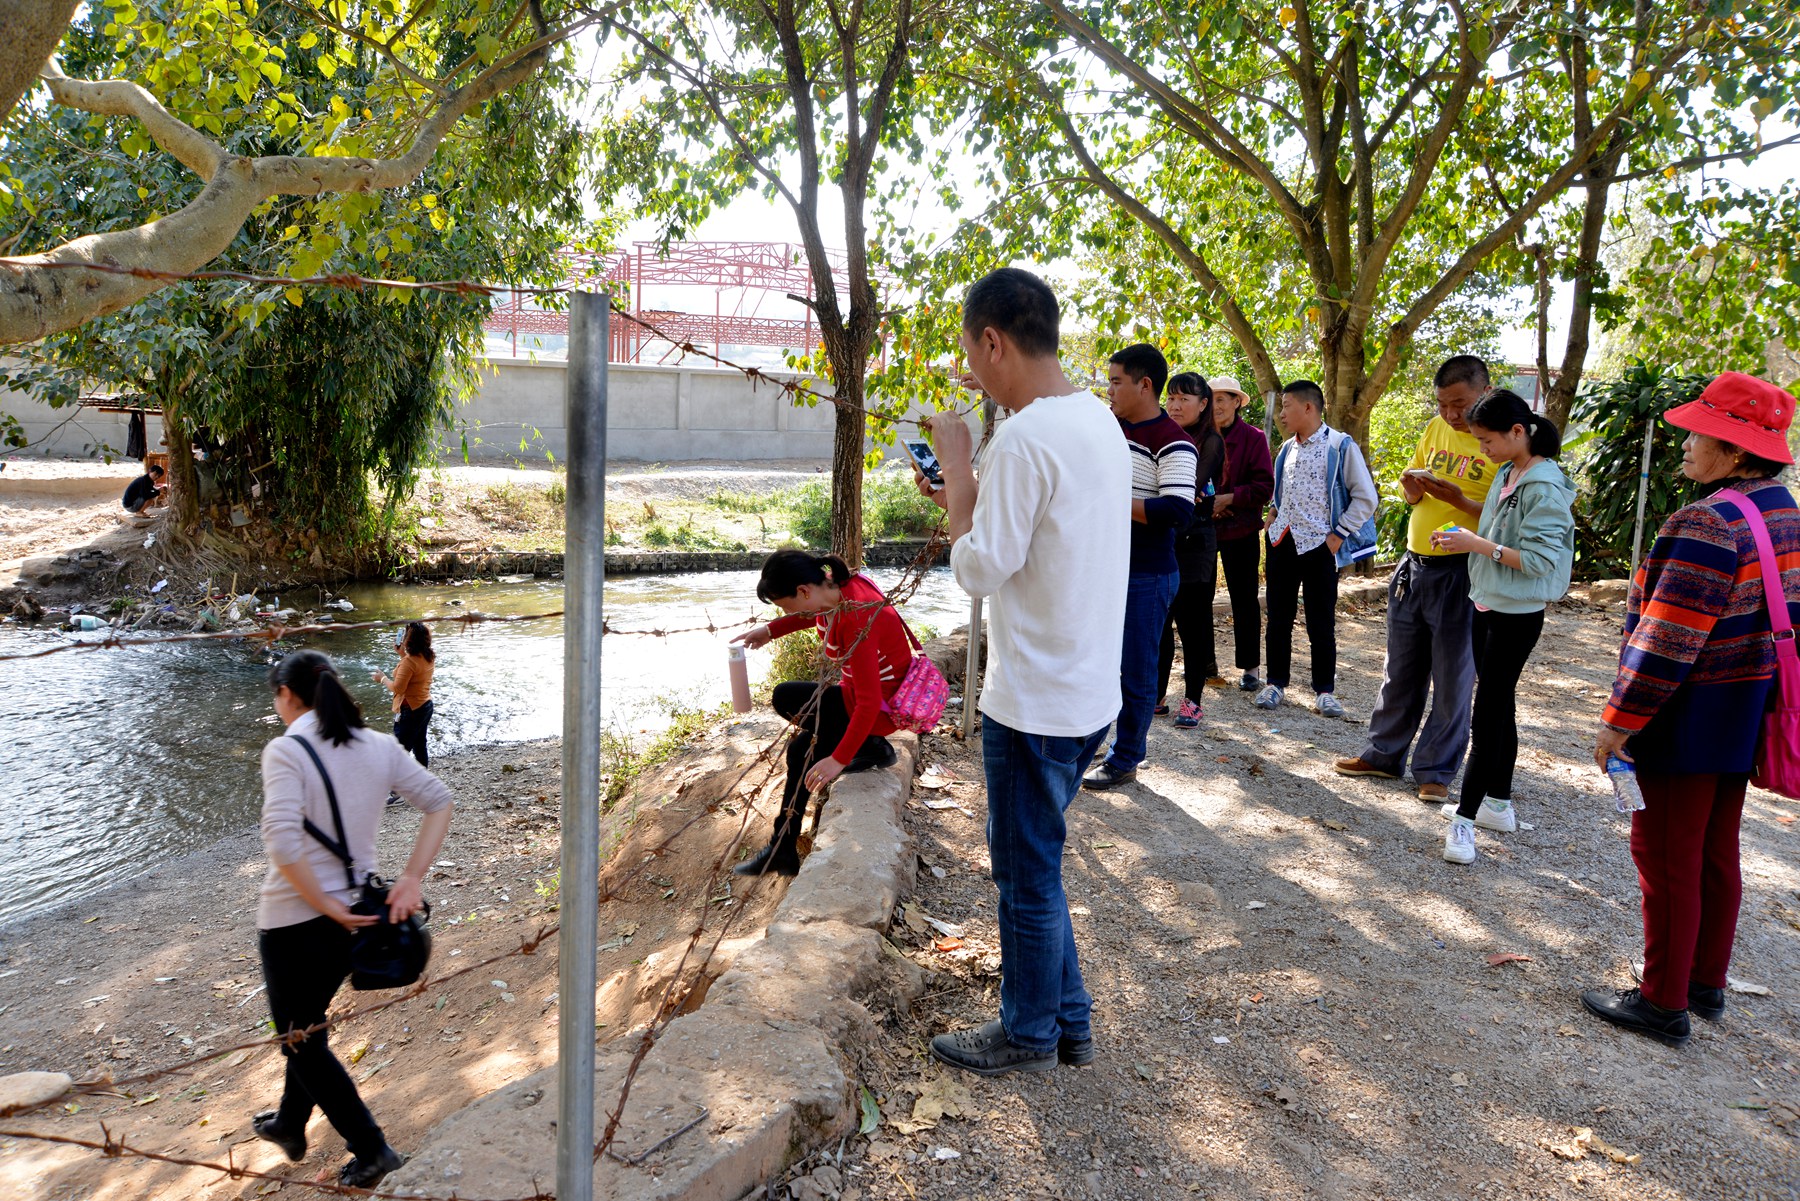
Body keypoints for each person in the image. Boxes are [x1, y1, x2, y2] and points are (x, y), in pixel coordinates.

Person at [915, 266, 1131, 1076]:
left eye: (972, 354)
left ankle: (1029, 1031)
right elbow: (1024, 545)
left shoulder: (1024, 439)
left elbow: (977, 569)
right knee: (1037, 860)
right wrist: (970, 486)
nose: (971, 373)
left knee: (1025, 874)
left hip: (1034, 699)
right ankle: (1067, 1019)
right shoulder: (1096, 420)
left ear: (994, 341)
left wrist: (960, 470)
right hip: (1084, 692)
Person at [1584, 372, 1799, 1047]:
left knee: (1664, 852)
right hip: (1745, 708)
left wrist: (1618, 722)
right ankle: (1704, 982)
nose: (1684, 441)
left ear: (1736, 452)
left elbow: (1667, 641)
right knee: (1713, 849)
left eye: (1699, 432)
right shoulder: (1785, 511)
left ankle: (1662, 1001)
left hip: (1686, 714)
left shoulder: (1705, 521)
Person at [254, 650, 453, 1188]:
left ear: (288, 695)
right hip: (358, 917)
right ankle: (289, 1124)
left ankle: (373, 1152)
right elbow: (439, 801)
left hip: (294, 921)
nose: (277, 707)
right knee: (307, 1025)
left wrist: (321, 904)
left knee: (302, 1039)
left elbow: (282, 842)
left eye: (276, 698)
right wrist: (410, 879)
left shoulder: (286, 750)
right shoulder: (379, 745)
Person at [1334, 356, 1497, 799]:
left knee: (1452, 675)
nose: (1451, 414)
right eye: (1443, 404)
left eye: (1460, 403)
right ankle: (1383, 755)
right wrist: (1412, 487)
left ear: (1485, 390)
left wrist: (1461, 502)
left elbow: (1507, 521)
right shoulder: (1435, 428)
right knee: (1400, 668)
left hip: (1463, 570)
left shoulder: (1502, 441)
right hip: (1414, 563)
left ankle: (1435, 771)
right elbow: (1412, 494)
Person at [1427, 390, 1575, 865]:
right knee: (1498, 703)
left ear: (1517, 432)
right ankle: (1498, 805)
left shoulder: (1545, 487)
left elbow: (1537, 561)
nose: (1483, 449)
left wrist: (1476, 544)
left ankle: (1464, 822)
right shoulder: (1510, 472)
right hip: (1486, 602)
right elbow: (1494, 528)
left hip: (1517, 614)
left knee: (1486, 713)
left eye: (1487, 440)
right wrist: (1462, 534)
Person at [730, 550, 910, 876]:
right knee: (788, 703)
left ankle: (871, 745)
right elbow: (807, 615)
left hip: (877, 710)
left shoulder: (857, 619)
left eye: (786, 604)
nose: (788, 611)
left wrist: (839, 759)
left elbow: (869, 703)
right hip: (859, 698)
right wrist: (770, 631)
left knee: (800, 745)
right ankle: (782, 848)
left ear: (803, 591)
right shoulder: (838, 591)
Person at [1082, 343, 1195, 789]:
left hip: (1146, 573)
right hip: (1102, 568)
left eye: (1115, 381)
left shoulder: (1174, 442)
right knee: (1095, 663)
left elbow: (1178, 510)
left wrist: (1113, 502)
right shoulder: (1108, 429)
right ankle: (1084, 745)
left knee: (1136, 669)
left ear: (1144, 385)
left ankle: (1125, 757)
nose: (1108, 390)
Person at [1256, 380, 1378, 716]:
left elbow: (1366, 497)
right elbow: (1281, 493)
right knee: (1278, 616)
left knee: (1320, 620)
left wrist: (1338, 535)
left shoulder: (1339, 446)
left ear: (1308, 407)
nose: (1281, 413)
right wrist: (1273, 516)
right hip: (1283, 541)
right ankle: (1274, 683)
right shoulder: (1286, 449)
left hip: (1321, 546)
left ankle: (1324, 690)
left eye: (1287, 405)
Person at [1154, 372, 1224, 728]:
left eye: (1185, 399)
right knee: (1160, 622)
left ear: (1203, 404)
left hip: (1195, 542)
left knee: (1192, 625)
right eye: (1172, 398)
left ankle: (1193, 701)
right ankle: (1157, 695)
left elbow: (1188, 487)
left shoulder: (1210, 441)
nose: (1176, 405)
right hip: (1164, 538)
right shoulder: (1162, 433)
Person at [1207, 375, 1275, 692]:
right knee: (1197, 599)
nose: (1217, 405)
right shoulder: (1197, 436)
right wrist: (1209, 504)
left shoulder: (1254, 438)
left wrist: (1231, 498)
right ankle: (1205, 664)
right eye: (1212, 399)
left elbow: (1264, 486)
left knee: (1244, 599)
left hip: (1242, 529)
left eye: (1224, 399)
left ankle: (1250, 668)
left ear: (1237, 402)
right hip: (1203, 528)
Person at [373, 622, 435, 767]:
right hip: (425, 706)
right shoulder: (428, 655)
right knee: (420, 744)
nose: (403, 637)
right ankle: (423, 778)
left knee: (399, 751)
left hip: (411, 711)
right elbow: (414, 672)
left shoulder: (409, 662)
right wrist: (402, 654)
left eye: (406, 635)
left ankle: (396, 786)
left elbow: (398, 688)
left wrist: (382, 678)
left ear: (410, 640)